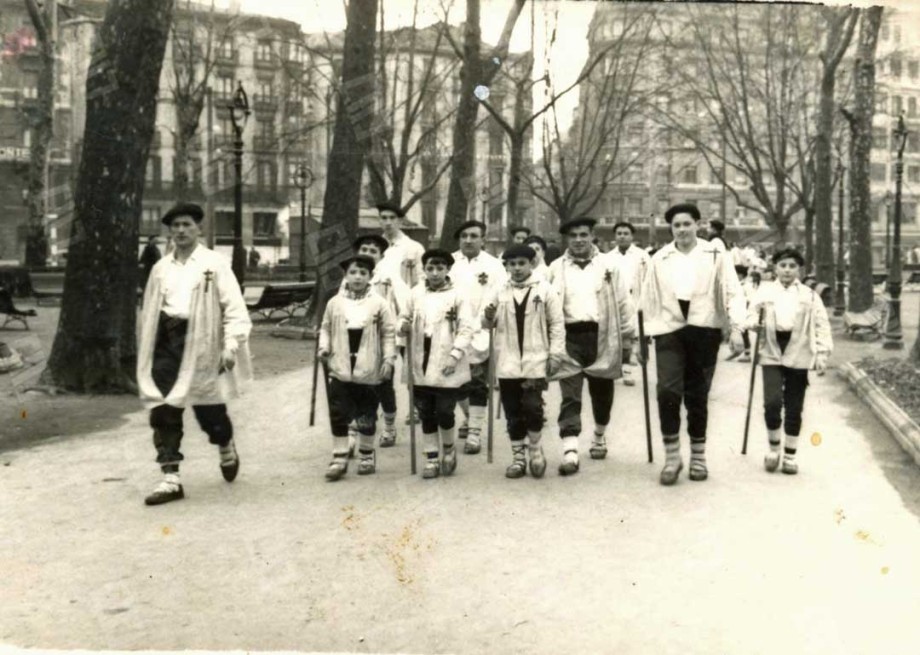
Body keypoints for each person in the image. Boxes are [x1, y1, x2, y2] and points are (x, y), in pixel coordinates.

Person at [137, 202, 253, 506]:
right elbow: (150, 307)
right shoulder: (161, 268)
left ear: (198, 228)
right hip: (166, 340)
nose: (180, 231)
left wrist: (230, 345)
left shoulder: (214, 264)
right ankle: (170, 477)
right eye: (175, 226)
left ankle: (224, 443)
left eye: (187, 225)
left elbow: (234, 308)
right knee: (163, 405)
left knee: (207, 407)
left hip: (202, 339)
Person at [638, 203, 746, 486]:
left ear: (698, 224)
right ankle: (672, 457)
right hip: (669, 330)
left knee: (697, 395)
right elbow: (648, 298)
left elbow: (732, 290)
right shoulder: (660, 258)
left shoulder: (714, 253)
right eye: (676, 225)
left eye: (687, 224)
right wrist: (640, 337)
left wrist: (737, 327)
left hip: (704, 330)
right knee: (667, 391)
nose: (682, 229)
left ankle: (698, 456)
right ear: (670, 229)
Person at [547, 217, 635, 475]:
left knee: (602, 393)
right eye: (573, 235)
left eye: (583, 234)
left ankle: (599, 434)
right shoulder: (555, 268)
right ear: (566, 239)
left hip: (602, 335)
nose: (578, 240)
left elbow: (623, 302)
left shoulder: (609, 266)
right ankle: (570, 449)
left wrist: (629, 337)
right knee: (570, 394)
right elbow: (549, 305)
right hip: (569, 336)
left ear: (592, 235)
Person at [745, 249, 832, 475]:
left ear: (799, 270)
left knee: (794, 405)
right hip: (772, 348)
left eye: (792, 266)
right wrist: (754, 322)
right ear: (775, 268)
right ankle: (774, 448)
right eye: (783, 265)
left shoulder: (809, 295)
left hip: (799, 349)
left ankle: (790, 455)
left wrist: (822, 352)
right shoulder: (764, 292)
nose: (787, 270)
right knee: (772, 403)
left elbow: (821, 324)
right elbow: (750, 314)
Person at [482, 245, 564, 479]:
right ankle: (518, 456)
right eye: (511, 264)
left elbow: (556, 324)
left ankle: (535, 449)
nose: (516, 268)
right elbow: (486, 325)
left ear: (531, 264)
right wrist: (488, 316)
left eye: (521, 263)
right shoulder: (500, 291)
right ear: (506, 266)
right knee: (512, 410)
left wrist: (555, 354)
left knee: (532, 406)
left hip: (535, 359)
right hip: (507, 360)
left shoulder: (545, 290)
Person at [319, 255, 397, 481]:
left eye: (363, 273)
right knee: (338, 412)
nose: (357, 277)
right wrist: (324, 348)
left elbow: (388, 334)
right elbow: (325, 328)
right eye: (353, 272)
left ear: (370, 277)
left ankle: (366, 454)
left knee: (366, 413)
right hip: (340, 364)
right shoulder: (335, 303)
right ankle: (339, 456)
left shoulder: (379, 303)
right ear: (346, 275)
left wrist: (388, 360)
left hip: (368, 365)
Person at [399, 249, 474, 479]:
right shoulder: (415, 293)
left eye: (439, 268)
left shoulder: (458, 295)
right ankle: (431, 456)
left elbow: (466, 327)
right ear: (424, 269)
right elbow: (405, 315)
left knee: (444, 410)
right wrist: (403, 324)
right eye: (430, 268)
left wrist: (455, 354)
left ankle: (449, 449)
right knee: (425, 411)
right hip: (421, 355)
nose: (434, 273)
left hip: (446, 357)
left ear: (448, 269)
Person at [341, 234, 409, 448]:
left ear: (381, 255)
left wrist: (401, 327)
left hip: (380, 338)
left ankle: (389, 424)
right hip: (353, 337)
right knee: (352, 383)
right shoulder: (349, 278)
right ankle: (353, 428)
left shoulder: (388, 277)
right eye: (364, 249)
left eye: (373, 251)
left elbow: (404, 303)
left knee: (383, 385)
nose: (368, 254)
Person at [449, 220, 507, 454]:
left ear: (483, 239)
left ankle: (474, 431)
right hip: (453, 331)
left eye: (474, 236)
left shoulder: (494, 266)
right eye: (464, 235)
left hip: (481, 330)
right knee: (454, 383)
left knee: (477, 384)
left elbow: (499, 296)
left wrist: (484, 321)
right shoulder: (449, 263)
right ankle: (468, 416)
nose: (469, 240)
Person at [605, 221, 650, 387]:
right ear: (615, 236)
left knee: (638, 336)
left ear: (632, 236)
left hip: (637, 298)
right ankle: (625, 370)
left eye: (626, 233)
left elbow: (648, 279)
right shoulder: (608, 257)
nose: (622, 236)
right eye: (619, 233)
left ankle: (637, 362)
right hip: (618, 301)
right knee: (623, 335)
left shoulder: (642, 256)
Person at [376, 202, 424, 289]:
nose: (388, 222)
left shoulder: (414, 247)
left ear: (400, 221)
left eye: (392, 218)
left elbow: (421, 278)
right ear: (379, 220)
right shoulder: (374, 247)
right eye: (384, 218)